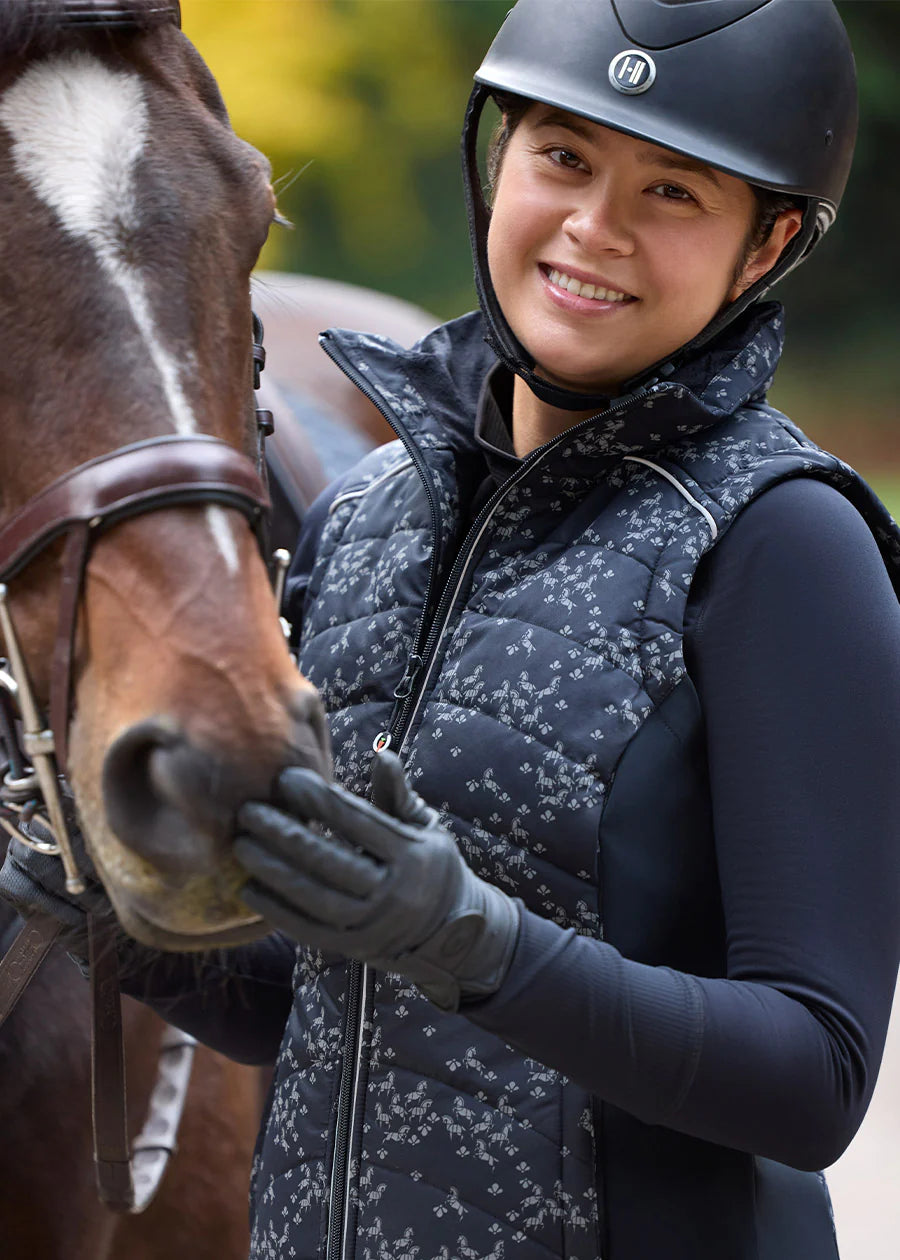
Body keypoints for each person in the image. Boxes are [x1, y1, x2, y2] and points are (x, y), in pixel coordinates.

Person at [3, 1, 900, 1257]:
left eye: (675, 193)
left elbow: (816, 1078)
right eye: (565, 157)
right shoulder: (368, 512)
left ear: (766, 247)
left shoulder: (785, 545)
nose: (595, 228)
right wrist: (107, 916)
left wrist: (473, 939)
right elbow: (332, 1011)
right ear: (499, 162)